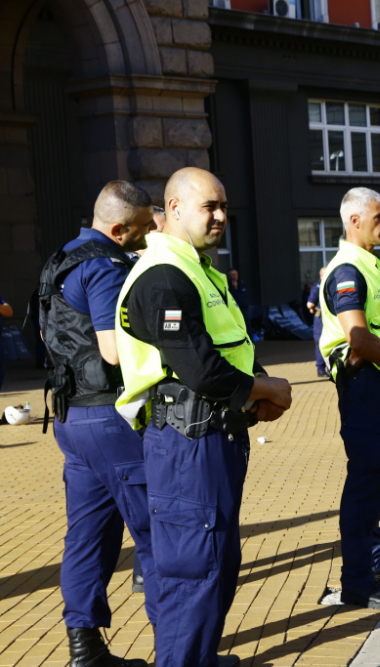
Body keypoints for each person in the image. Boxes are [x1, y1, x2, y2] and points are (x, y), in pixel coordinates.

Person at [115, 168, 293, 667]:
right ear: (172, 208)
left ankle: (201, 658)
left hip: (214, 438)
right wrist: (266, 388)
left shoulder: (198, 270)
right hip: (187, 443)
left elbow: (228, 346)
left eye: (223, 207)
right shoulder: (163, 276)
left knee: (217, 564)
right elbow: (199, 367)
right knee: (194, 572)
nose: (219, 217)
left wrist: (255, 394)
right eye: (207, 207)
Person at [38, 181, 156, 667]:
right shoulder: (105, 265)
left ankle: (84, 650)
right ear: (118, 228)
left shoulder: (60, 258)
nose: (149, 236)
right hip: (110, 419)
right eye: (144, 227)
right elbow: (112, 349)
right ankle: (182, 646)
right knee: (158, 534)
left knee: (87, 537)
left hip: (70, 417)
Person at [315, 187, 380, 610]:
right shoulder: (347, 270)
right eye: (379, 216)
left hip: (378, 384)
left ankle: (372, 560)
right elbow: (358, 337)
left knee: (377, 477)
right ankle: (357, 581)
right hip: (363, 384)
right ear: (354, 220)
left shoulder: (369, 266)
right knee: (366, 480)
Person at [306, 267, 327, 377]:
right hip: (321, 322)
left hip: (326, 322)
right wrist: (316, 310)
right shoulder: (318, 286)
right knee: (320, 344)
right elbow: (310, 304)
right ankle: (320, 369)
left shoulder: (325, 284)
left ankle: (325, 368)